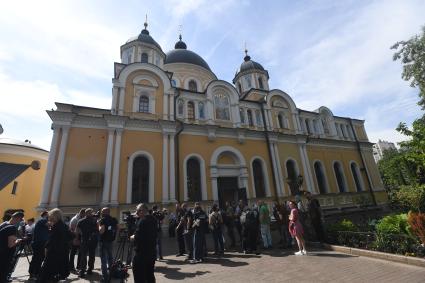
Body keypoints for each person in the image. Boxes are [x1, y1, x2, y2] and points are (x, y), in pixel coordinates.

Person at [37, 208, 72, 282]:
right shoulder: (64, 226)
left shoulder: (56, 227)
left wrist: (46, 251)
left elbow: (51, 242)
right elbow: (71, 236)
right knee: (55, 276)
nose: (49, 218)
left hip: (54, 254)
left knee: (46, 276)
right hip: (62, 253)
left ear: (54, 216)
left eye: (50, 216)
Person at [131, 203, 157, 283]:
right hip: (151, 253)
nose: (137, 213)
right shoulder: (153, 219)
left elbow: (138, 237)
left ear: (143, 211)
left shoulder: (142, 221)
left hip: (141, 254)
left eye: (138, 211)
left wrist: (132, 237)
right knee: (150, 275)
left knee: (139, 276)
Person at [0, 211, 24, 283]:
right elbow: (10, 244)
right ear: (18, 219)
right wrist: (18, 241)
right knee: (4, 271)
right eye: (21, 220)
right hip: (6, 253)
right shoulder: (12, 228)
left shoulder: (3, 224)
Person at [77, 208, 98, 278]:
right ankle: (89, 269)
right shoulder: (94, 221)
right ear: (87, 213)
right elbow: (97, 230)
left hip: (85, 240)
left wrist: (80, 236)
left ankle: (83, 270)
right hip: (90, 241)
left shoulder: (81, 221)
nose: (92, 214)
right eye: (91, 213)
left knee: (85, 255)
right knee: (89, 255)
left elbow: (77, 230)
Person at [98, 207, 118, 282]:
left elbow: (101, 231)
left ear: (104, 212)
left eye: (102, 212)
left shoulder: (102, 220)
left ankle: (105, 278)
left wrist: (98, 225)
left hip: (103, 242)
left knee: (103, 260)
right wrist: (115, 237)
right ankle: (112, 274)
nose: (101, 213)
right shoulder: (114, 219)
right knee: (110, 258)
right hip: (111, 241)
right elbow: (118, 227)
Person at [28, 211, 49, 280]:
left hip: (40, 243)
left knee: (38, 258)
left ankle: (35, 273)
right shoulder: (42, 220)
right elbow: (50, 224)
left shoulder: (41, 221)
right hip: (39, 243)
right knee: (37, 259)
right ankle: (34, 273)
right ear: (46, 215)